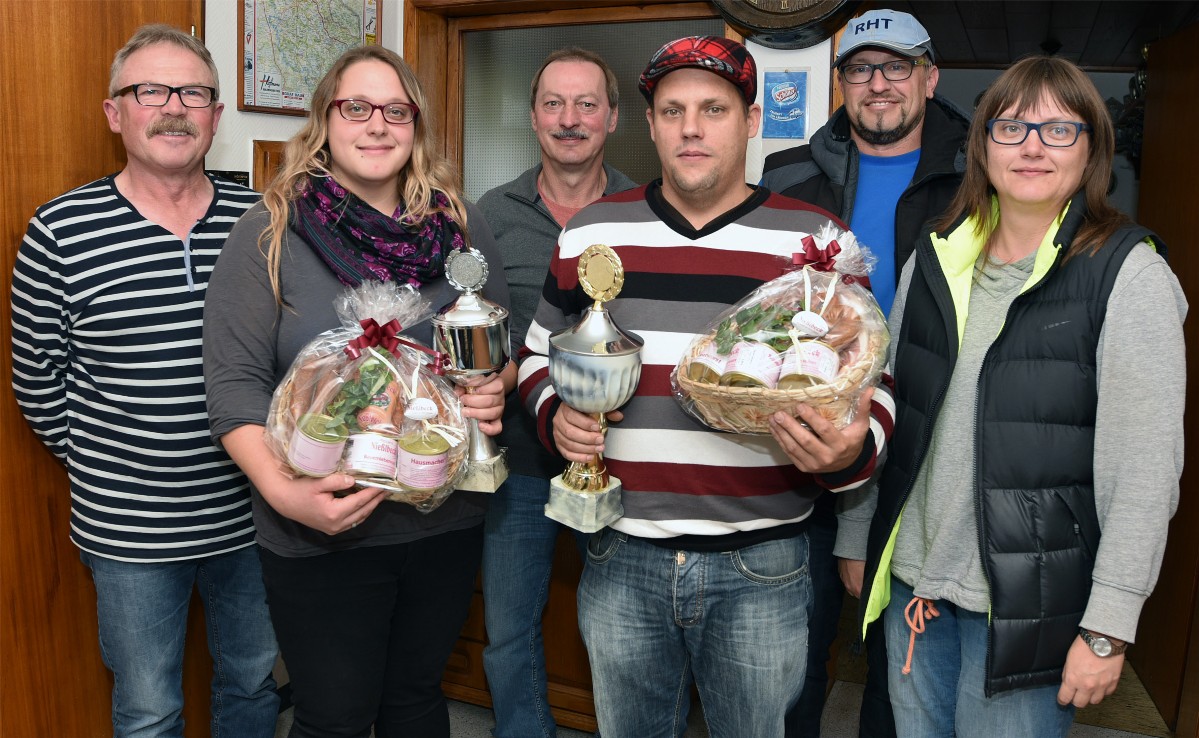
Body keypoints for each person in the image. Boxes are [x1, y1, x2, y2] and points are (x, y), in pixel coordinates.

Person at [516, 36, 894, 738]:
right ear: (651, 124)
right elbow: (539, 354)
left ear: (751, 121)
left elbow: (872, 377)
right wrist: (555, 415)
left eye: (713, 109)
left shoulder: (816, 241)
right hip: (620, 552)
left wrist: (850, 453)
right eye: (672, 110)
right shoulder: (592, 232)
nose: (690, 128)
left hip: (764, 563)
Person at [848, 55, 1185, 737]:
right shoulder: (934, 256)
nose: (1032, 146)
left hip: (1028, 610)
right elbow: (883, 401)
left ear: (1090, 150)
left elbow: (1145, 472)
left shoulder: (1128, 274)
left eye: (1059, 129)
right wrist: (857, 535)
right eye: (1011, 127)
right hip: (913, 585)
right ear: (982, 145)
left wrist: (1108, 626)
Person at [202, 46, 514, 737]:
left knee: (416, 700)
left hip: (444, 516)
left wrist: (495, 386)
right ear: (325, 119)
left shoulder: (459, 226)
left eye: (396, 110)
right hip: (320, 524)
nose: (377, 125)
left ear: (415, 126)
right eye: (356, 108)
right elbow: (233, 387)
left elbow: (500, 347)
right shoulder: (269, 231)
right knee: (334, 716)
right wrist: (285, 496)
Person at [9, 24, 279, 738]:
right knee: (149, 709)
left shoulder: (263, 220)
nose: (174, 109)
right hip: (129, 530)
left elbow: (294, 354)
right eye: (151, 91)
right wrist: (112, 462)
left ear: (215, 116)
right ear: (115, 112)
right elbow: (37, 378)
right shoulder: (60, 230)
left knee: (253, 684)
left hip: (255, 512)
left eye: (193, 93)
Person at [760, 9, 969, 735]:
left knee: (903, 663)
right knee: (795, 650)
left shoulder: (976, 173)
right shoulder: (787, 174)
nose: (878, 84)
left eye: (896, 66)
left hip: (924, 446)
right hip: (808, 443)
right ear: (840, 84)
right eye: (859, 69)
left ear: (929, 78)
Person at [477, 47, 636, 738]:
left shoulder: (644, 211)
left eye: (586, 104)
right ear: (533, 116)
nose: (569, 119)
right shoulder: (491, 212)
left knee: (626, 628)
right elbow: (478, 330)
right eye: (553, 103)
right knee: (509, 630)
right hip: (517, 461)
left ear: (612, 117)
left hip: (620, 457)